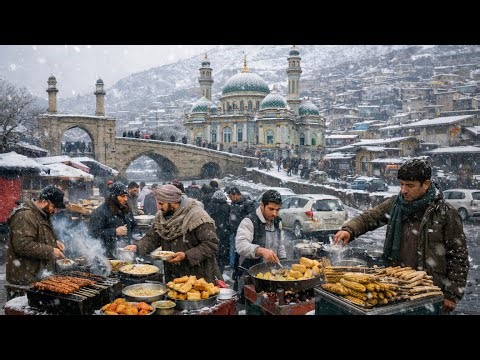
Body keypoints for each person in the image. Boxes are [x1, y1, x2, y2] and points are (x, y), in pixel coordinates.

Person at [332, 158, 469, 314]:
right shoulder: (397, 204)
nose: (404, 190)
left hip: (428, 290)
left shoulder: (445, 213)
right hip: (397, 286)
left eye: (410, 185)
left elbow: (459, 255)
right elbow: (370, 217)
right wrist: (349, 230)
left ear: (426, 184)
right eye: (402, 184)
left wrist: (452, 293)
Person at [125, 184, 222, 283]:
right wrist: (137, 247)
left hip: (197, 276)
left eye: (161, 203)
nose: (158, 208)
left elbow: (211, 244)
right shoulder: (161, 217)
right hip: (173, 274)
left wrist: (186, 255)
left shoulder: (197, 216)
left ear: (174, 202)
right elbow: (152, 239)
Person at [6, 185, 67, 299]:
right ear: (44, 201)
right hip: (24, 279)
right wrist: (51, 250)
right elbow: (23, 245)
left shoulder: (42, 214)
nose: (56, 210)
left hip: (36, 276)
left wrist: (54, 242)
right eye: (54, 206)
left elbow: (38, 236)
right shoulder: (25, 216)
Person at [234, 189, 286, 300]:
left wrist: (284, 263)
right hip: (251, 274)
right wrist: (260, 250)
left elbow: (280, 245)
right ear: (262, 205)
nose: (274, 213)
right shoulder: (249, 221)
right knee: (251, 304)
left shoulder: (278, 222)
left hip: (271, 274)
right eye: (271, 209)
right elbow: (240, 245)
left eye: (277, 210)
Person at [89, 182, 138, 258]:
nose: (125, 199)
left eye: (126, 196)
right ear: (114, 197)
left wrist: (135, 240)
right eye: (122, 196)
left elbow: (134, 225)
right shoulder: (100, 212)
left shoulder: (126, 209)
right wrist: (114, 232)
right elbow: (93, 233)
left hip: (127, 251)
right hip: (107, 255)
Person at [228, 187, 257, 268]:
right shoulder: (234, 203)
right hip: (233, 231)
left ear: (236, 195)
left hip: (242, 232)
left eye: (231, 197)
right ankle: (233, 267)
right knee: (233, 250)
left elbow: (252, 218)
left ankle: (238, 268)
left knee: (240, 251)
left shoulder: (247, 204)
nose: (230, 199)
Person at [205, 190, 231, 273]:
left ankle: (212, 270)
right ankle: (220, 271)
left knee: (212, 251)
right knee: (222, 253)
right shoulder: (227, 206)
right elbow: (230, 220)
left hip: (212, 231)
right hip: (224, 232)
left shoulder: (210, 206)